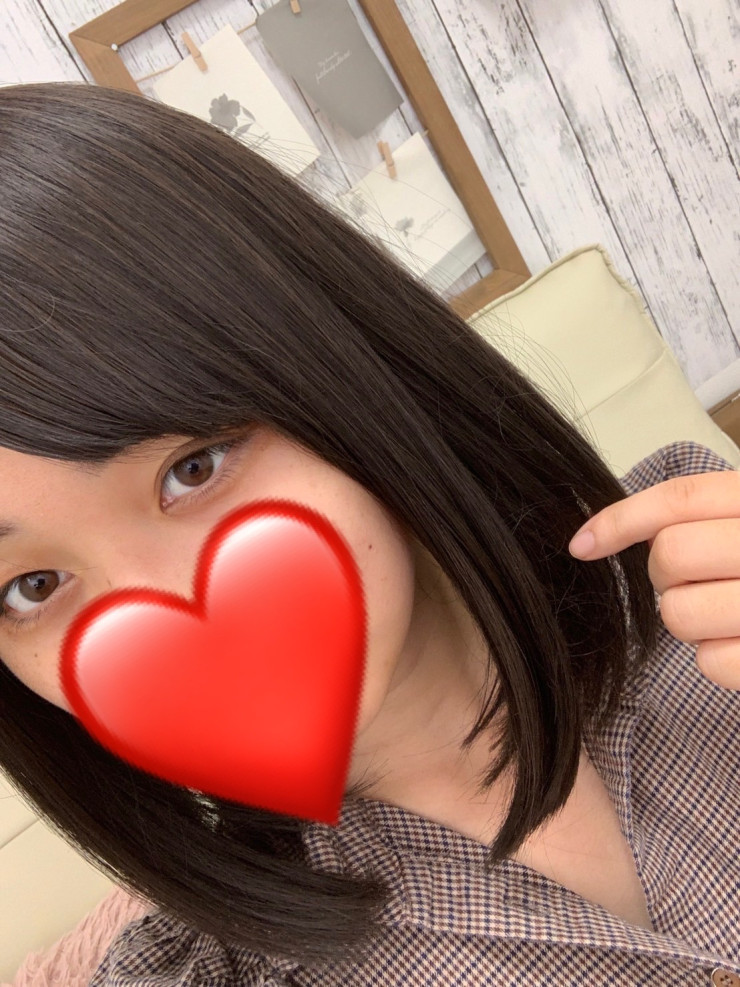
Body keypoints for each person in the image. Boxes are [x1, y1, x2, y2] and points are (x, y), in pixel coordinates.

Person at [0, 81, 737, 987]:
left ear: (337, 363)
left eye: (192, 468)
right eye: (31, 587)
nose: (157, 619)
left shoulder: (695, 569)